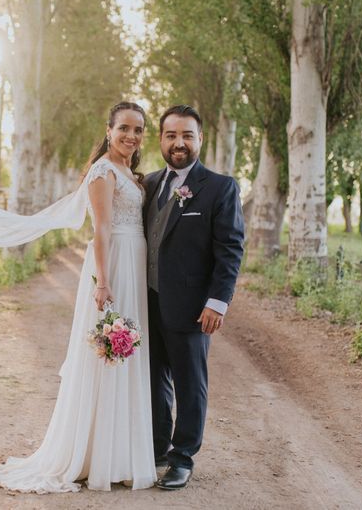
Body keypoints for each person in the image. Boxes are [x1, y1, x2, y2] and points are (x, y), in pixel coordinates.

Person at [0, 102, 158, 493]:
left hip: (134, 265)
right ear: (109, 130)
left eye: (138, 130)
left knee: (127, 358)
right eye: (124, 129)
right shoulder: (102, 171)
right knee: (107, 357)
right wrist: (103, 282)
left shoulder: (131, 174)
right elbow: (101, 228)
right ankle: (90, 456)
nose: (131, 136)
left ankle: (118, 455)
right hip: (113, 266)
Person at [143, 105, 245, 490]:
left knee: (190, 383)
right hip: (147, 302)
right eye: (171, 135)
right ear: (162, 140)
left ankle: (183, 457)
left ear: (200, 140)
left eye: (187, 135)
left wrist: (218, 301)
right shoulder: (149, 183)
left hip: (192, 307)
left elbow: (231, 248)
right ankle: (156, 448)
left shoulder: (220, 187)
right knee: (153, 381)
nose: (179, 143)